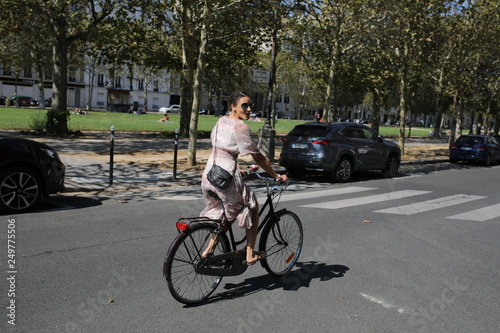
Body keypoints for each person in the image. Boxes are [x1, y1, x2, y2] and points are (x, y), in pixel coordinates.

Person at [200, 91, 287, 266]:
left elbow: (223, 148)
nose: (249, 109)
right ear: (233, 107)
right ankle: (250, 253)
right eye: (244, 105)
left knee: (228, 213)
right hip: (225, 178)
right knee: (252, 205)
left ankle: (208, 251)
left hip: (210, 174)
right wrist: (276, 175)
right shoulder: (240, 127)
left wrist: (238, 170)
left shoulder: (220, 121)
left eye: (250, 105)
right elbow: (258, 157)